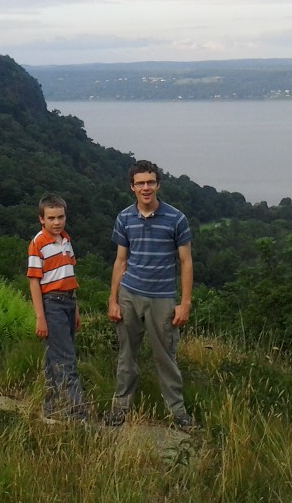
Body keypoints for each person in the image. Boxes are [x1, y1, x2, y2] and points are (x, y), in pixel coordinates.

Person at [105, 160, 195, 430]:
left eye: (151, 182)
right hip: (129, 295)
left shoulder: (176, 218)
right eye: (140, 183)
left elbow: (186, 262)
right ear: (132, 187)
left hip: (162, 298)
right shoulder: (124, 218)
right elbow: (121, 261)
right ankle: (120, 408)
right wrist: (112, 300)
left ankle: (177, 413)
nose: (146, 187)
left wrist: (185, 304)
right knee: (126, 355)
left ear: (158, 184)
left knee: (165, 356)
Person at [27, 193, 89, 420]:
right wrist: (40, 317)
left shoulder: (66, 240)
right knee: (66, 360)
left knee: (55, 358)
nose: (57, 222)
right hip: (51, 303)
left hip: (68, 302)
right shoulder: (38, 243)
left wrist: (77, 310)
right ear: (42, 219)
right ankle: (78, 415)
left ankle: (51, 408)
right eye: (51, 218)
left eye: (60, 217)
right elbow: (34, 281)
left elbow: (69, 274)